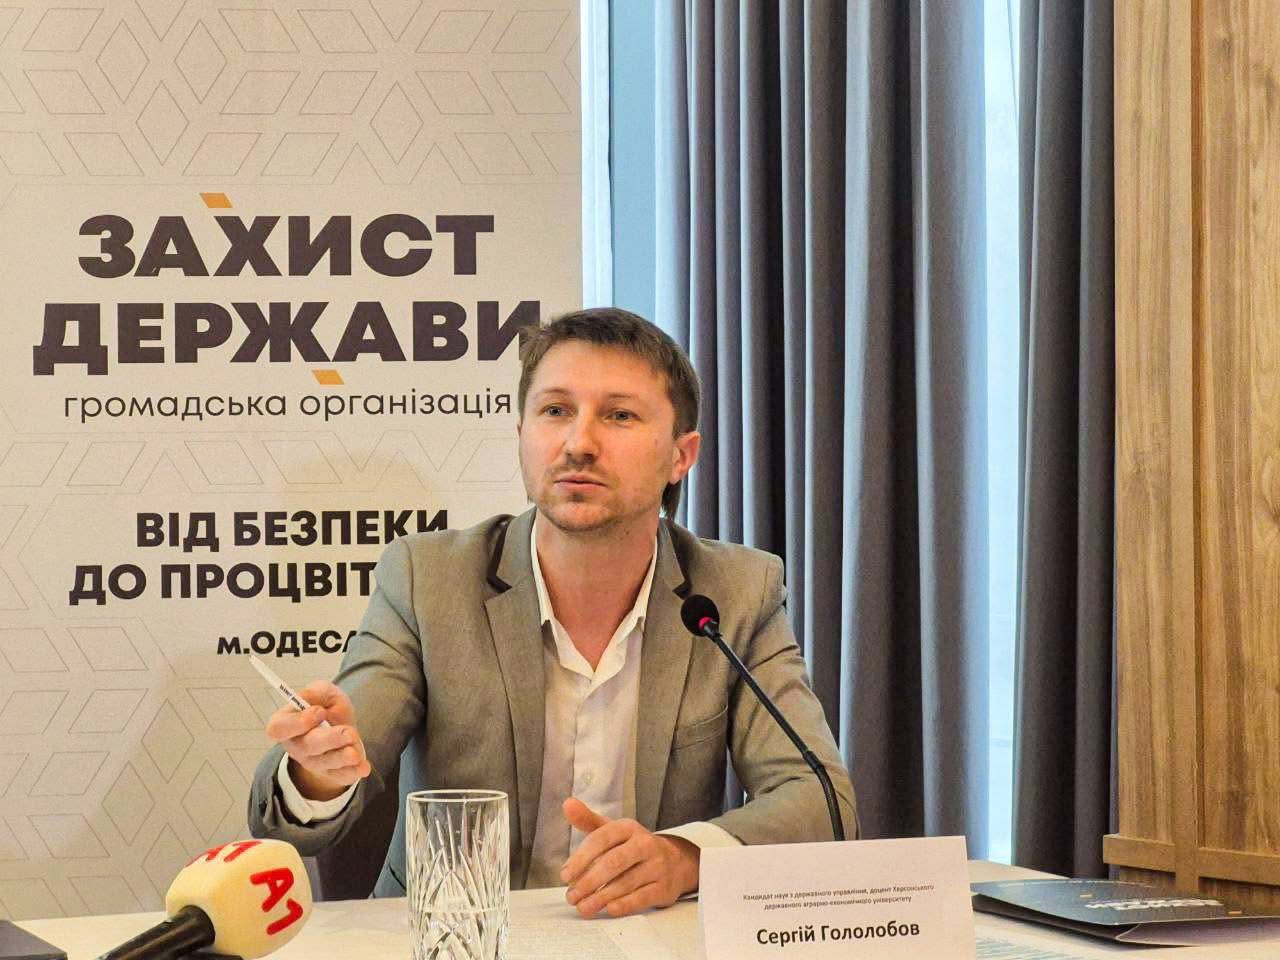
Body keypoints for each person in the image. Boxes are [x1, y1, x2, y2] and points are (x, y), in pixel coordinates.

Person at [248, 307, 856, 918]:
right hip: (457, 939)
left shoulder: (736, 592)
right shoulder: (427, 580)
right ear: (522, 435)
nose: (579, 444)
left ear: (681, 455)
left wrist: (684, 857)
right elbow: (294, 821)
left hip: (645, 936)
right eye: (556, 411)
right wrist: (320, 772)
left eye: (619, 415)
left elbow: (822, 799)